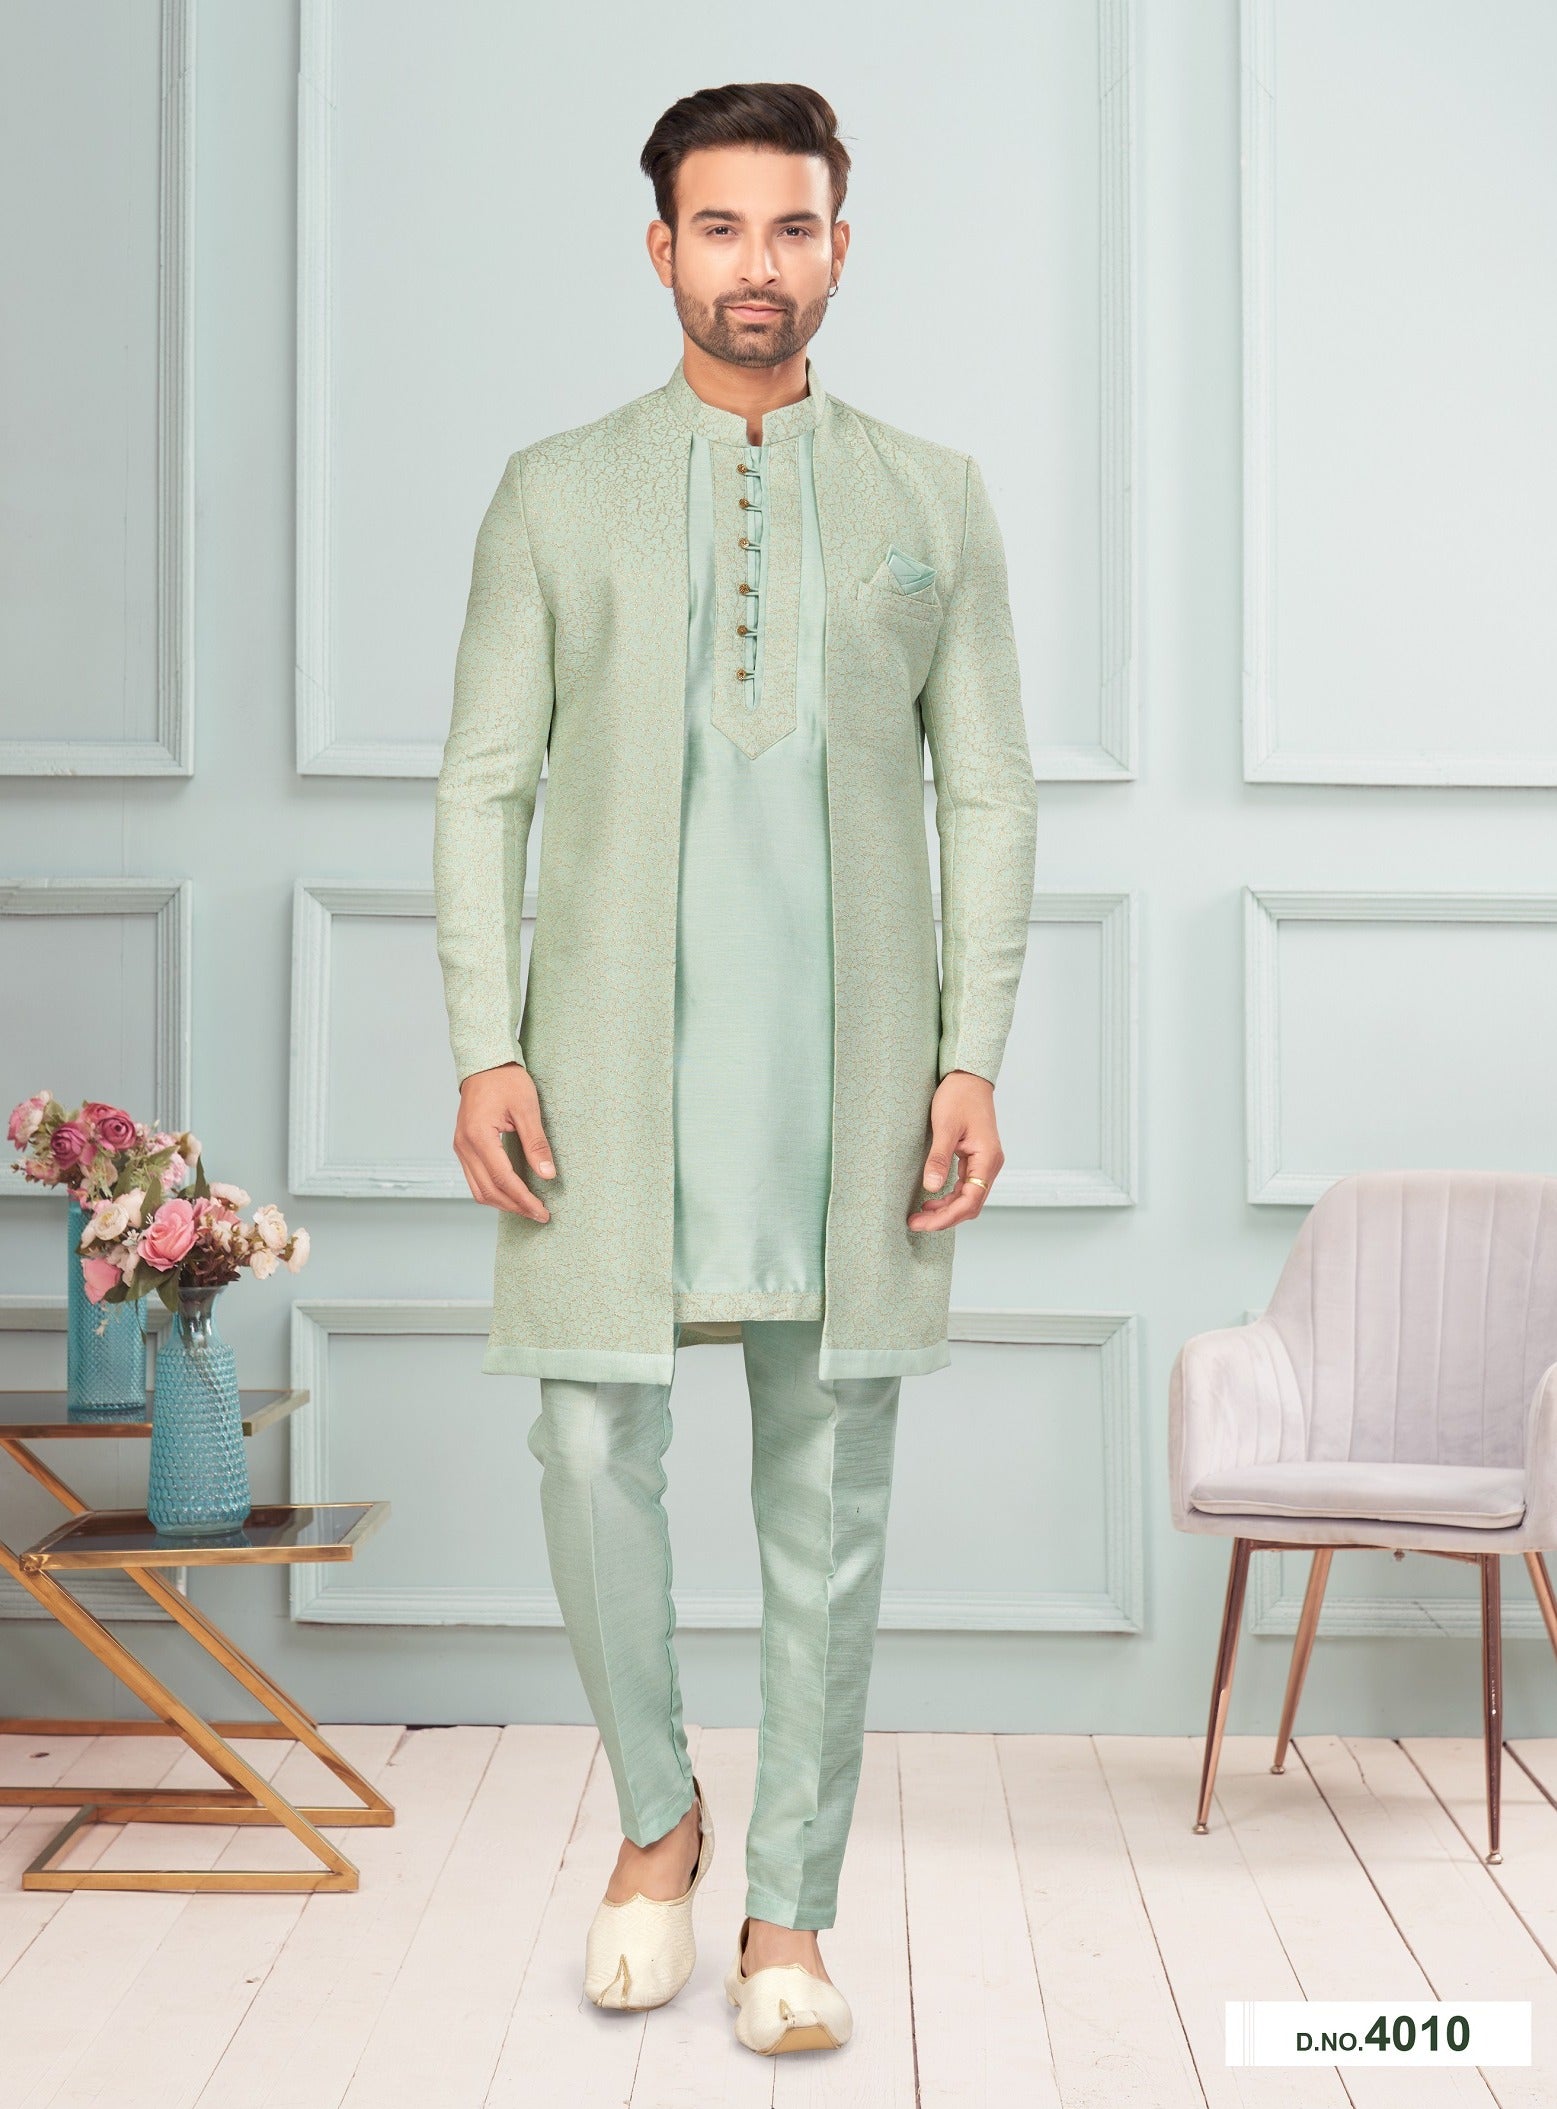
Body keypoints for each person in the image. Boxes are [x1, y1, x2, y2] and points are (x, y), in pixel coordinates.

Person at [433, 79, 1037, 2057]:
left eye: (791, 227)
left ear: (837, 247)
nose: (755, 265)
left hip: (846, 1082)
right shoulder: (553, 490)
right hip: (605, 1070)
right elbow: (483, 784)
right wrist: (485, 1038)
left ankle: (789, 1902)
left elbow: (987, 789)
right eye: (719, 227)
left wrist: (968, 1054)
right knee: (585, 1446)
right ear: (659, 248)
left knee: (828, 1486)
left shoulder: (933, 496)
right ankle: (654, 1820)